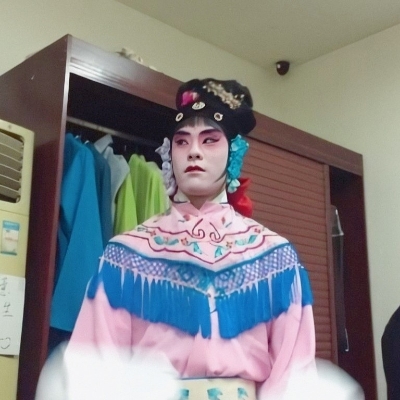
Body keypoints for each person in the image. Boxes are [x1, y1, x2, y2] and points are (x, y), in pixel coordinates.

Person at [46, 78, 317, 399]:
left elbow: (293, 375)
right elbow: (95, 367)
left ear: (234, 152)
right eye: (182, 141)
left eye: (210, 140)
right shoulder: (127, 254)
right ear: (169, 153)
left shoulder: (274, 256)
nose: (194, 152)